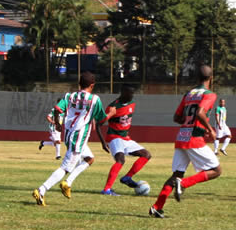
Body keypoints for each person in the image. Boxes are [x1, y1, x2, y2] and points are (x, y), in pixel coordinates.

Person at [148, 65, 221, 218]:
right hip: (194, 138)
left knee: (176, 174)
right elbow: (200, 112)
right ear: (211, 78)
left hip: (182, 136)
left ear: (197, 78)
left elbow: (177, 117)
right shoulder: (209, 95)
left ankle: (157, 207)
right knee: (216, 170)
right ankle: (185, 184)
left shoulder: (189, 94)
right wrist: (210, 129)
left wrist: (188, 120)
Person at [32, 71, 108, 206]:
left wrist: (57, 123)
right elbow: (102, 119)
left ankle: (68, 183)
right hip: (79, 136)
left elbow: (57, 108)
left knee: (90, 159)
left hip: (69, 134)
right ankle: (41, 190)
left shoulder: (70, 96)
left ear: (79, 84)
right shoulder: (95, 100)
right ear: (92, 85)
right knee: (65, 168)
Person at [98, 84, 151, 196]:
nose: (131, 95)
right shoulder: (113, 107)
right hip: (114, 138)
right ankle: (107, 189)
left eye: (133, 93)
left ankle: (127, 177)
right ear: (122, 92)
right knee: (120, 160)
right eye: (129, 93)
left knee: (146, 154)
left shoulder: (132, 104)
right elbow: (99, 124)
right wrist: (103, 143)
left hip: (125, 138)